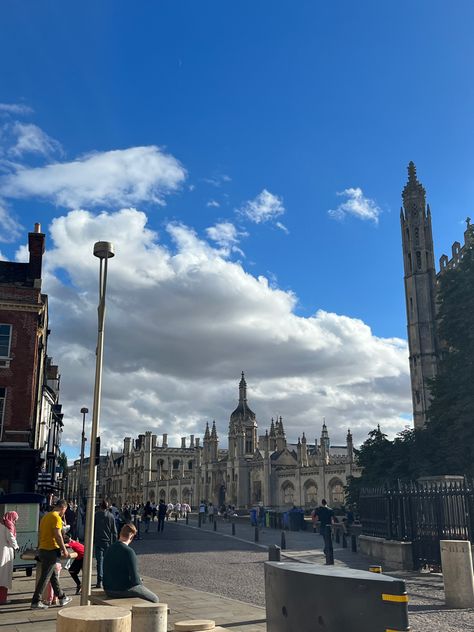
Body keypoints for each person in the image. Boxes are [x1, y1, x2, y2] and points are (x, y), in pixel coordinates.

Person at [30, 499, 72, 609]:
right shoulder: (56, 517)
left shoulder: (46, 516)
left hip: (43, 549)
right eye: (65, 510)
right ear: (63, 508)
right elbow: (58, 535)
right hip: (51, 550)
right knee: (45, 577)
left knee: (53, 576)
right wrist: (64, 549)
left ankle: (62, 597)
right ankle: (36, 601)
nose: (64, 513)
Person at [103, 523, 158, 602]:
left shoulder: (110, 548)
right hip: (122, 590)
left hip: (108, 589)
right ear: (132, 536)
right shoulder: (129, 552)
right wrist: (139, 581)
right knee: (155, 599)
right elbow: (135, 580)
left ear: (120, 534)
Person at [93, 500, 117, 589]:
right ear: (107, 507)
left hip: (98, 541)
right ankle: (107, 579)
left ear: (100, 506)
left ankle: (99, 581)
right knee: (107, 561)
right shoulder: (111, 516)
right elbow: (114, 531)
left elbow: (93, 527)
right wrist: (115, 543)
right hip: (107, 542)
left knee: (99, 562)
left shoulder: (96, 515)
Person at [0, 511, 19, 604]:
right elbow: (11, 538)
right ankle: (2, 599)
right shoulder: (8, 526)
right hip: (5, 553)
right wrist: (16, 547)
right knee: (4, 577)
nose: (14, 522)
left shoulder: (1, 524)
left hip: (2, 552)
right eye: (15, 519)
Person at [314, 499, 336, 565]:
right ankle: (327, 551)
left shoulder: (319, 510)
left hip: (323, 526)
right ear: (327, 503)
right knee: (329, 539)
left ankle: (327, 550)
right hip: (329, 526)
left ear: (322, 503)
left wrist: (315, 523)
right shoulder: (330, 510)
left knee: (325, 539)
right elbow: (332, 519)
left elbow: (314, 515)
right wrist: (333, 527)